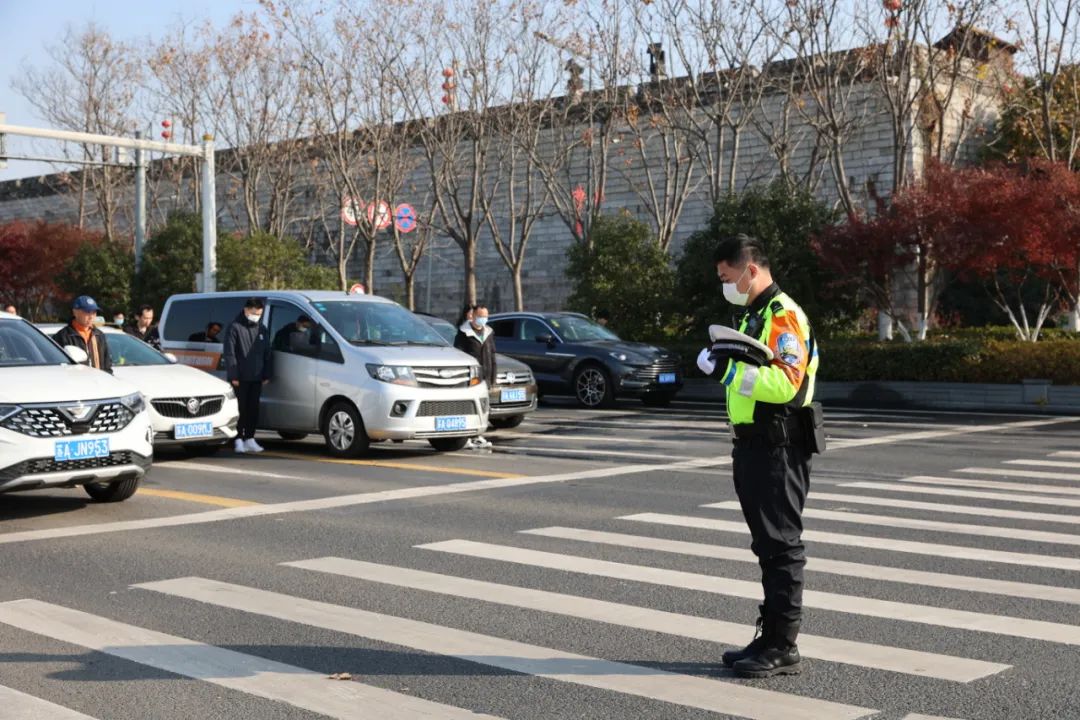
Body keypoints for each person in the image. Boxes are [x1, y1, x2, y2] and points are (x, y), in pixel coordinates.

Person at [696, 233, 819, 679]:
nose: (725, 284)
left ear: (750, 269)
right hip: (754, 444)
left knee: (781, 545)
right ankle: (769, 638)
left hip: (778, 445)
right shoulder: (756, 316)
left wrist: (726, 370)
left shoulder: (783, 316)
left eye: (727, 276)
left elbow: (785, 383)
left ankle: (783, 644)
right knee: (767, 545)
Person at [223, 298, 271, 454]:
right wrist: (233, 375)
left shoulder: (262, 329)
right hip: (240, 377)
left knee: (253, 409)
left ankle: (250, 437)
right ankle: (237, 439)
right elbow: (230, 353)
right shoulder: (234, 327)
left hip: (256, 377)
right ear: (246, 310)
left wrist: (266, 373)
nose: (256, 316)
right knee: (240, 409)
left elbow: (266, 354)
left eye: (259, 314)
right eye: (254, 313)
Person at [454, 303, 495, 449]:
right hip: (471, 379)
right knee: (468, 408)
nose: (483, 319)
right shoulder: (463, 333)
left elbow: (492, 356)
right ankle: (465, 437)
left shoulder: (488, 332)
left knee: (483, 409)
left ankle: (477, 435)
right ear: (473, 316)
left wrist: (492, 378)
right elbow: (458, 356)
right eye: (480, 316)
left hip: (485, 378)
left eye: (485, 316)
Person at [53, 295, 112, 374]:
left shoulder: (99, 335)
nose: (91, 316)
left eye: (94, 312)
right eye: (87, 312)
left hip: (98, 383)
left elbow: (107, 365)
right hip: (76, 383)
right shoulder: (63, 336)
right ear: (75, 312)